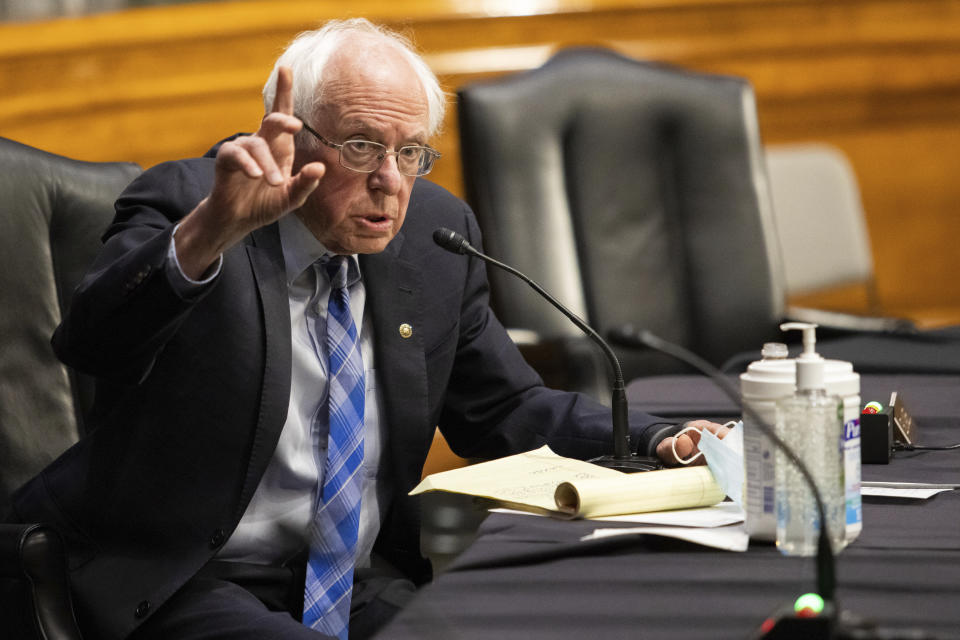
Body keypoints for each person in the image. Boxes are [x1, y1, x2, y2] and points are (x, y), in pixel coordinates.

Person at [9, 18, 726, 640]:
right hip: (179, 578)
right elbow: (91, 343)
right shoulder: (195, 204)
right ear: (295, 138)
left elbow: (502, 409)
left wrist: (655, 441)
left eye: (410, 151)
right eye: (360, 146)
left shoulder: (434, 235)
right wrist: (208, 235)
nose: (392, 179)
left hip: (355, 581)